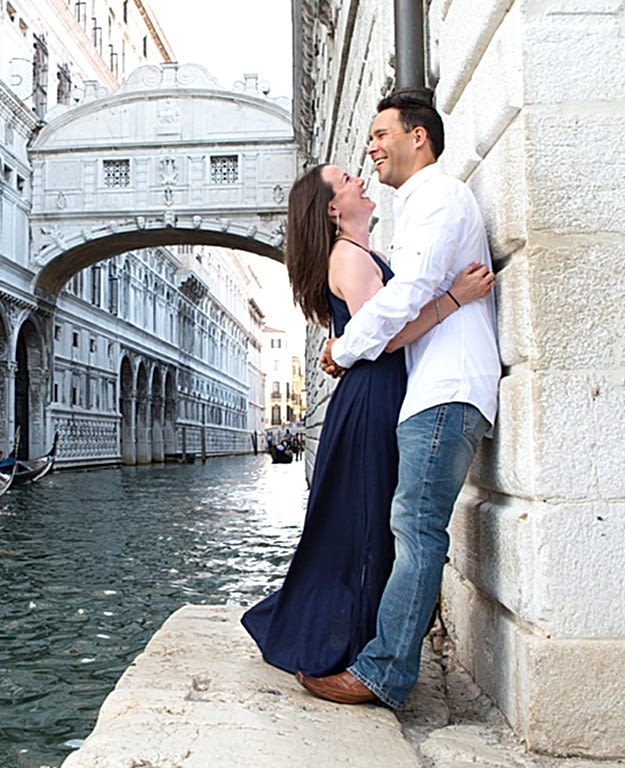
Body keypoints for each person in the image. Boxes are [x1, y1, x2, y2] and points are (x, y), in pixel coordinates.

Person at [241, 160, 493, 679]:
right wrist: (454, 299)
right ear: (335, 208)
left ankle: (353, 636)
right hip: (375, 393)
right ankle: (346, 643)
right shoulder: (349, 257)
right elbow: (383, 338)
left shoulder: (366, 252)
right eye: (347, 179)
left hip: (377, 390)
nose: (360, 178)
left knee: (367, 519)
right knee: (366, 521)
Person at [296, 89, 501, 709]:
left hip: (445, 391)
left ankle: (381, 672)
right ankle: (376, 657)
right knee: (411, 528)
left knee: (414, 530)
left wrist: (342, 349)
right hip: (434, 390)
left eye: (382, 134)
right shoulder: (418, 207)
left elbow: (409, 289)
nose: (372, 147)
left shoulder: (437, 195)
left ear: (420, 137)